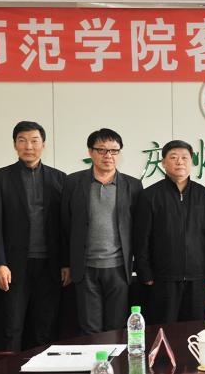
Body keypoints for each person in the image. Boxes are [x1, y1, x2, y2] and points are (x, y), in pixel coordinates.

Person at [0, 121, 67, 351]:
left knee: (45, 327)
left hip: (49, 266)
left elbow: (64, 226)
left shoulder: (60, 178)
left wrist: (66, 263)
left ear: (44, 144)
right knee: (11, 326)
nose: (28, 146)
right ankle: (10, 367)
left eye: (34, 141)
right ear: (15, 145)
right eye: (22, 141)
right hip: (13, 267)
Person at [61, 128, 143, 334]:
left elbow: (139, 229)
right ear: (90, 152)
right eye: (102, 150)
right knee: (90, 328)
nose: (108, 155)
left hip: (118, 268)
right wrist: (66, 263)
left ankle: (115, 357)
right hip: (85, 267)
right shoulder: (73, 182)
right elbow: (64, 224)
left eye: (114, 150)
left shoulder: (133, 185)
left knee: (116, 327)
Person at [134, 140, 205, 324]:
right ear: (163, 162)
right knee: (164, 330)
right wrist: (144, 271)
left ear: (192, 162)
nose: (180, 161)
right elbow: (141, 238)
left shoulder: (203, 195)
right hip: (163, 279)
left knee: (195, 330)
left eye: (185, 157)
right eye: (173, 157)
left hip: (197, 279)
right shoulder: (150, 196)